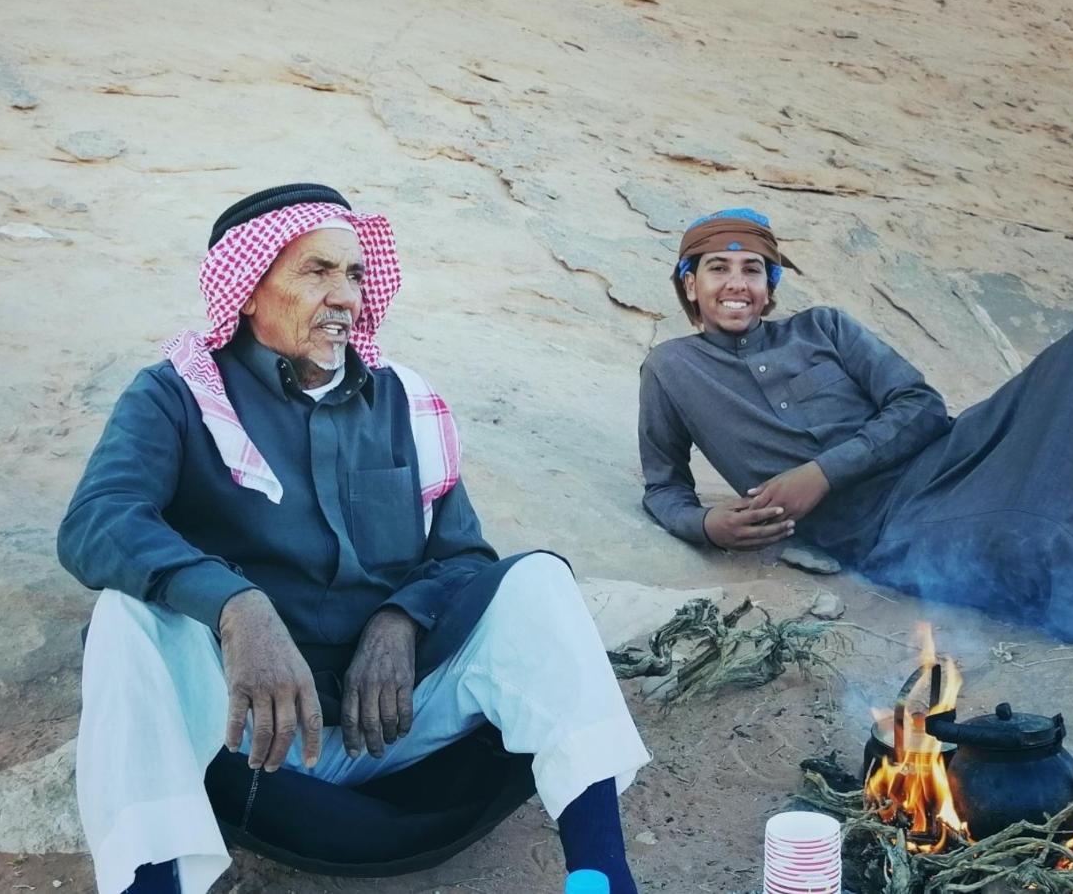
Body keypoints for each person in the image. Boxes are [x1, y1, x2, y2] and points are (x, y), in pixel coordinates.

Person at [58, 183, 650, 894]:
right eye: (316, 271)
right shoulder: (176, 396)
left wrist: (401, 620)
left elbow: (463, 556)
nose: (347, 296)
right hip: (247, 736)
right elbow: (98, 520)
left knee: (538, 584)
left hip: (398, 724)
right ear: (247, 289)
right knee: (124, 620)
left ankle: (602, 878)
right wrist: (236, 606)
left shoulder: (404, 402)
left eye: (356, 274)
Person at [638, 208, 1073, 643]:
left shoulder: (824, 327)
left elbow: (921, 406)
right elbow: (664, 487)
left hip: (957, 456)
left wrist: (822, 472)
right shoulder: (670, 369)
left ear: (769, 287)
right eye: (717, 268)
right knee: (1018, 546)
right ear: (690, 282)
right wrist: (707, 526)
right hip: (886, 532)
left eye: (752, 269)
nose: (736, 284)